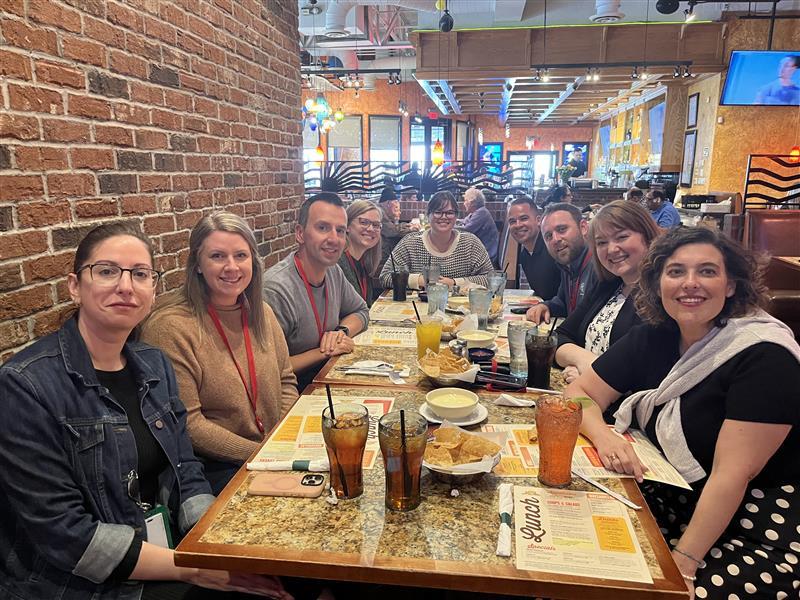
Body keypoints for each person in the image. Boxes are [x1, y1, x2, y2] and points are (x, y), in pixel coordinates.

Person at [0, 222, 291, 599]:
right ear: (75, 286)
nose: (126, 286)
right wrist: (194, 567)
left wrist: (211, 543)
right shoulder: (24, 385)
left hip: (163, 548)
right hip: (81, 582)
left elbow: (186, 470)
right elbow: (64, 534)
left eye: (140, 274)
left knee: (284, 569)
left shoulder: (153, 363)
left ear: (153, 290)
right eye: (107, 271)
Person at [565, 226, 800, 599]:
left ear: (731, 285)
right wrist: (604, 436)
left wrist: (684, 565)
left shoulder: (764, 356)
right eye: (676, 272)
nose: (690, 283)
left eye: (707, 271)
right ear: (658, 283)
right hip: (672, 496)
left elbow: (731, 476)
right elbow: (578, 394)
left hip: (754, 520)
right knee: (575, 557)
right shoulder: (654, 335)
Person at [141, 212, 298, 494]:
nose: (232, 267)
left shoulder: (262, 312)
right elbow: (189, 424)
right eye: (217, 256)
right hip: (214, 467)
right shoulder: (170, 327)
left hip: (272, 451)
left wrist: (278, 441)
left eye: (241, 255)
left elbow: (286, 381)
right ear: (198, 264)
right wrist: (261, 453)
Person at [264, 193, 369, 391]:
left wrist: (341, 332)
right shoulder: (277, 289)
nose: (334, 239)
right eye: (323, 228)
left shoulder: (333, 271)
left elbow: (361, 311)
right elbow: (268, 368)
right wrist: (325, 351)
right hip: (294, 392)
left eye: (340, 230)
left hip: (329, 379)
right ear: (300, 234)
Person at [555, 200, 661, 383]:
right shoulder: (608, 286)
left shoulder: (661, 296)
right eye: (602, 242)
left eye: (622, 237)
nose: (611, 249)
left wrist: (594, 374)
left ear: (647, 236)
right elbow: (559, 337)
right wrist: (585, 362)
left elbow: (643, 373)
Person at [378, 190, 494, 290]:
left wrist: (454, 283)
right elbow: (385, 277)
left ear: (456, 217)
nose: (444, 217)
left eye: (449, 213)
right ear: (428, 215)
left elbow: (490, 278)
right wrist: (419, 280)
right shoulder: (410, 243)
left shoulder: (470, 243)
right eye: (438, 212)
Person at [525, 202, 598, 324]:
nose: (556, 239)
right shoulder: (567, 265)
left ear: (583, 227)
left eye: (562, 229)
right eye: (549, 236)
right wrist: (546, 306)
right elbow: (562, 303)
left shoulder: (599, 266)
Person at [506, 195, 561, 299]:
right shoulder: (524, 256)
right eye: (512, 221)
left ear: (538, 220)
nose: (518, 225)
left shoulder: (553, 248)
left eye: (524, 218)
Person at [338, 200, 383, 307]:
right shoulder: (337, 262)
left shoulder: (364, 263)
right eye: (364, 222)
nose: (371, 229)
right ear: (347, 225)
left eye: (376, 225)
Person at [458, 187, 500, 265]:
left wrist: (450, 227)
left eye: (465, 200)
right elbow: (464, 221)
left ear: (472, 202)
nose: (464, 203)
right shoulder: (476, 212)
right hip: (482, 253)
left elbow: (467, 230)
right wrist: (453, 221)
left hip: (487, 256)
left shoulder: (481, 213)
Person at [379, 186, 418, 269]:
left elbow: (394, 227)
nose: (398, 211)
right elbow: (392, 231)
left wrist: (406, 225)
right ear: (388, 203)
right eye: (396, 207)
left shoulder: (383, 212)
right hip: (382, 258)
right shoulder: (380, 213)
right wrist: (411, 229)